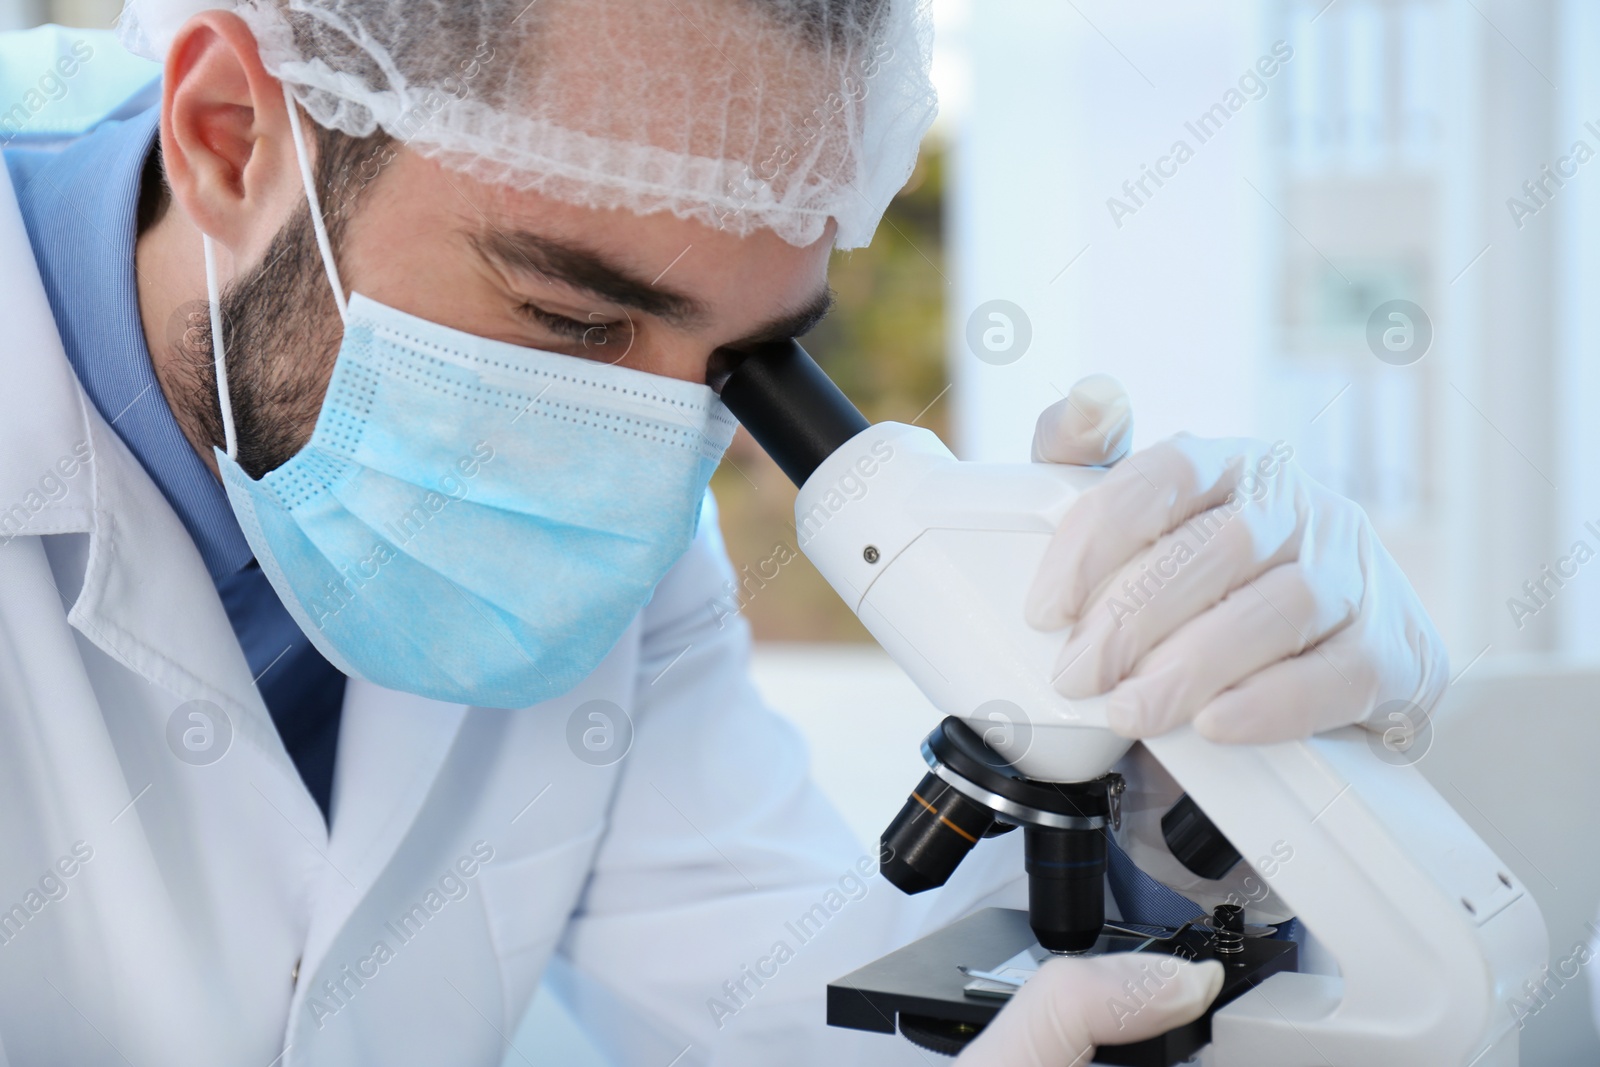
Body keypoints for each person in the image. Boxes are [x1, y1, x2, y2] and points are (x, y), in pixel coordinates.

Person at [0, 3, 1447, 1064]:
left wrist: (1194, 792)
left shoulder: (581, 518)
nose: (638, 444)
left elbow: (786, 1002)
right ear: (232, 137)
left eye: (734, 368)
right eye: (569, 319)